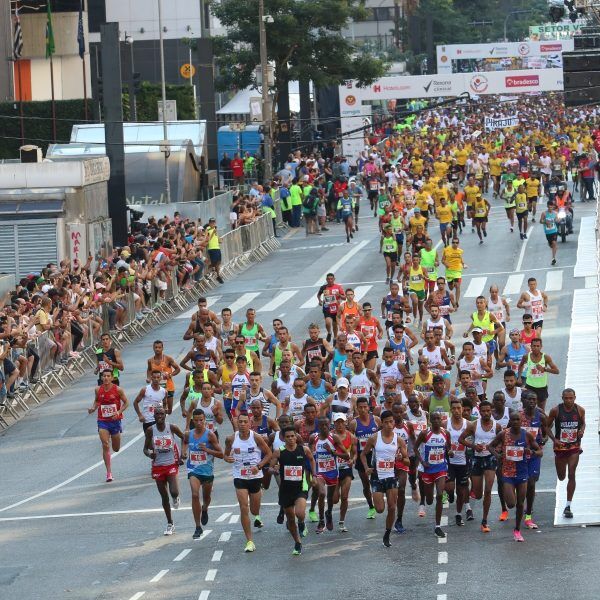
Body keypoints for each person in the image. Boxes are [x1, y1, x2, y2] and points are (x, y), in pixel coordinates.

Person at [489, 411, 543, 542]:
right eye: (513, 420)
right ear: (510, 421)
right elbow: (490, 446)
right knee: (511, 503)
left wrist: (532, 452)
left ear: (521, 421)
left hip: (522, 473)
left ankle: (517, 530)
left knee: (520, 503)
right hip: (508, 473)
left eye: (517, 419)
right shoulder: (504, 434)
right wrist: (497, 455)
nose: (515, 422)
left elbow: (540, 451)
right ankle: (510, 514)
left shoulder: (527, 435)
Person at [224, 411, 272, 552]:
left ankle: (258, 500)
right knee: (244, 507)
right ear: (237, 423)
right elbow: (225, 455)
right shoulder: (231, 439)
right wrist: (228, 458)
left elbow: (268, 454)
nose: (243, 424)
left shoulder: (256, 437)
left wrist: (259, 466)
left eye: (246, 422)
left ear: (250, 423)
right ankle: (249, 541)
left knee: (254, 510)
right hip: (239, 476)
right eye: (240, 422)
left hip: (255, 477)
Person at [361, 410, 409, 547]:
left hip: (391, 476)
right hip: (377, 476)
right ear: (382, 423)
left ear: (394, 422)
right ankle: (379, 504)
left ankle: (387, 534)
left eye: (391, 421)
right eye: (386, 422)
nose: (389, 424)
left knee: (392, 507)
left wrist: (402, 458)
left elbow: (407, 462)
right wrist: (366, 468)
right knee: (380, 509)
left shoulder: (399, 440)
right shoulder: (374, 438)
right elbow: (363, 454)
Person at [269, 426, 317, 555]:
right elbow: (270, 468)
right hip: (285, 489)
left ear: (296, 437)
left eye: (292, 436)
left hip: (301, 487)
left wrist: (314, 475)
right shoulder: (279, 452)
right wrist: (274, 469)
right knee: (290, 519)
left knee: (300, 513)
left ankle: (301, 523)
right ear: (284, 439)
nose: (290, 439)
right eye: (288, 437)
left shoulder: (304, 450)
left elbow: (312, 460)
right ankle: (297, 542)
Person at [459, 401, 501, 533]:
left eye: (488, 411)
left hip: (490, 459)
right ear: (480, 412)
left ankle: (484, 521)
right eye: (483, 411)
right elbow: (461, 439)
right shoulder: (474, 425)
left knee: (488, 490)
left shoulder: (497, 426)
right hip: (477, 459)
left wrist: (497, 450)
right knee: (478, 495)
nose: (486, 413)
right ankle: (473, 488)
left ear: (491, 411)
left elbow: (502, 440)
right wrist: (473, 446)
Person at [143, 407, 185, 536]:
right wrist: (150, 455)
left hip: (171, 462)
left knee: (174, 492)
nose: (159, 416)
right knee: (164, 497)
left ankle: (176, 497)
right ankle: (170, 523)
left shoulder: (172, 427)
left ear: (165, 415)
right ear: (154, 416)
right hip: (158, 466)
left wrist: (183, 453)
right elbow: (145, 449)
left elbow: (184, 438)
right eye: (157, 414)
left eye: (162, 414)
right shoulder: (150, 430)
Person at [183, 408, 224, 538]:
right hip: (193, 470)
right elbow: (184, 442)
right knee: (195, 495)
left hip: (207, 471)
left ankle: (205, 508)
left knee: (206, 498)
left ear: (205, 420)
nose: (199, 422)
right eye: (196, 420)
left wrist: (207, 449)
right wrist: (184, 452)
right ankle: (197, 527)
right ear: (193, 421)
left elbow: (221, 454)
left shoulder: (210, 435)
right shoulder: (188, 434)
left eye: (201, 420)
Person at [547, 388, 585, 519]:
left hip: (574, 446)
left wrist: (581, 430)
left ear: (575, 397)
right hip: (561, 447)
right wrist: (554, 439)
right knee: (562, 476)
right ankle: (562, 473)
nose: (569, 400)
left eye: (571, 398)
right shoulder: (555, 410)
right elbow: (546, 426)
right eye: (566, 398)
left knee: (572, 474)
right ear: (562, 398)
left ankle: (568, 506)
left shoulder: (580, 410)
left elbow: (583, 423)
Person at [87, 369, 129, 482]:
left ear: (112, 378)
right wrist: (92, 408)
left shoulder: (118, 390)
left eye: (108, 376)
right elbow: (97, 401)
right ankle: (109, 473)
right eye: (104, 376)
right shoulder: (97, 389)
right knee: (105, 444)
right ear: (101, 377)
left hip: (115, 421)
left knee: (116, 448)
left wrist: (119, 412)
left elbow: (126, 402)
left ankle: (116, 439)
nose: (106, 378)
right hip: (102, 421)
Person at [310, 415, 350, 533]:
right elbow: (309, 454)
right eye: (321, 425)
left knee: (331, 498)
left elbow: (347, 456)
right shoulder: (314, 438)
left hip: (332, 471)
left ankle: (329, 513)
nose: (324, 427)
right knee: (322, 493)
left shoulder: (334, 438)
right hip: (320, 472)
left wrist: (332, 452)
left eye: (326, 425)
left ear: (329, 425)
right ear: (318, 426)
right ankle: (321, 520)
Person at [414, 412, 450, 538]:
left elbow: (448, 448)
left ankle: (437, 526)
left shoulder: (446, 433)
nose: (436, 421)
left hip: (441, 468)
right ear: (429, 421)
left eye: (438, 419)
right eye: (433, 419)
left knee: (439, 495)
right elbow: (415, 448)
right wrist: (423, 461)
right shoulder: (424, 434)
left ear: (441, 420)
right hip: (428, 470)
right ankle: (425, 501)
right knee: (429, 500)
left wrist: (449, 453)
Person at [349, 396, 381, 519]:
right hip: (362, 457)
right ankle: (371, 506)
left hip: (375, 456)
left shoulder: (376, 420)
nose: (363, 410)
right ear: (356, 408)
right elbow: (352, 443)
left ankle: (379, 500)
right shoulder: (353, 423)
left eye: (365, 407)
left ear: (368, 407)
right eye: (360, 407)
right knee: (365, 484)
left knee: (377, 481)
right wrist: (353, 456)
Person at [519, 391, 547, 528]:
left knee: (531, 483)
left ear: (536, 401)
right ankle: (521, 505)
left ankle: (528, 515)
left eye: (534, 399)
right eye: (529, 399)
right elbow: (508, 432)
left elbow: (547, 429)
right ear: (524, 401)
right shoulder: (518, 416)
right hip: (520, 454)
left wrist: (544, 439)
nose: (531, 401)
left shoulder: (540, 416)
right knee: (522, 484)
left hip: (534, 454)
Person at [517, 338, 559, 412]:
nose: (536, 348)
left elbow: (556, 371)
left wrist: (545, 369)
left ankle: (543, 423)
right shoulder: (526, 356)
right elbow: (520, 365)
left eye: (537, 346)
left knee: (541, 410)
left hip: (542, 387)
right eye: (534, 346)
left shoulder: (546, 357)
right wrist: (519, 377)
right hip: (530, 386)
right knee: (527, 409)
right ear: (531, 346)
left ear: (541, 346)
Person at [446, 398, 470, 526]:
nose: (456, 411)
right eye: (454, 408)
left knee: (461, 491)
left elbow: (472, 442)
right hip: (449, 462)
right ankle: (449, 494)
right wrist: (447, 449)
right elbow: (440, 440)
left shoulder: (469, 425)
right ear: (450, 410)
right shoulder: (445, 424)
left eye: (458, 408)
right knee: (450, 487)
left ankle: (458, 514)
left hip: (463, 463)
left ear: (462, 409)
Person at [147, 340, 181, 414]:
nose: (157, 349)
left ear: (162, 348)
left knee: (168, 411)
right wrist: (148, 378)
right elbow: (149, 370)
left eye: (159, 347)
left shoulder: (168, 359)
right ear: (153, 348)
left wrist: (170, 375)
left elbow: (178, 369)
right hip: (156, 388)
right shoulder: (150, 360)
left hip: (168, 387)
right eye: (156, 347)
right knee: (158, 411)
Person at [317, 273, 346, 342]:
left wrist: (339, 295)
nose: (330, 280)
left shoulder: (338, 287)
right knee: (328, 322)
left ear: (334, 279)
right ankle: (329, 332)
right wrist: (320, 301)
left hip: (336, 309)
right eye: (328, 279)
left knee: (335, 325)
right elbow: (318, 295)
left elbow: (344, 298)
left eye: (331, 279)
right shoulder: (323, 287)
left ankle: (335, 338)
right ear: (326, 280)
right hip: (327, 308)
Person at [442, 237, 465, 306]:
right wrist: (446, 264)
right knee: (451, 288)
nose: (455, 244)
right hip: (449, 271)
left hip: (457, 271)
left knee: (458, 286)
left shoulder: (460, 251)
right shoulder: (446, 250)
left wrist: (464, 264)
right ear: (451, 243)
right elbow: (442, 260)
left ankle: (457, 301)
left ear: (458, 243)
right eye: (453, 242)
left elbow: (460, 259)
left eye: (456, 243)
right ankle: (452, 283)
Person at [205, 218, 224, 284]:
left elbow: (216, 236)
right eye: (212, 223)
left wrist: (220, 240)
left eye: (214, 222)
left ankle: (217, 275)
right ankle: (208, 272)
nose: (213, 224)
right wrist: (213, 232)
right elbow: (207, 238)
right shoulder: (208, 229)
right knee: (214, 262)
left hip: (217, 247)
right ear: (209, 223)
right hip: (212, 248)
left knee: (218, 262)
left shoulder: (214, 229)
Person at [540, 201, 559, 265]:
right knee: (551, 245)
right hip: (548, 232)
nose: (550, 208)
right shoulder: (544, 213)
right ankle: (551, 245)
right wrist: (545, 222)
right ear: (547, 206)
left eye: (551, 207)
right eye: (549, 207)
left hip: (554, 231)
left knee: (554, 243)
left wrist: (558, 220)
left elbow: (557, 220)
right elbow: (540, 221)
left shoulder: (555, 213)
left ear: (553, 207)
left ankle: (553, 258)